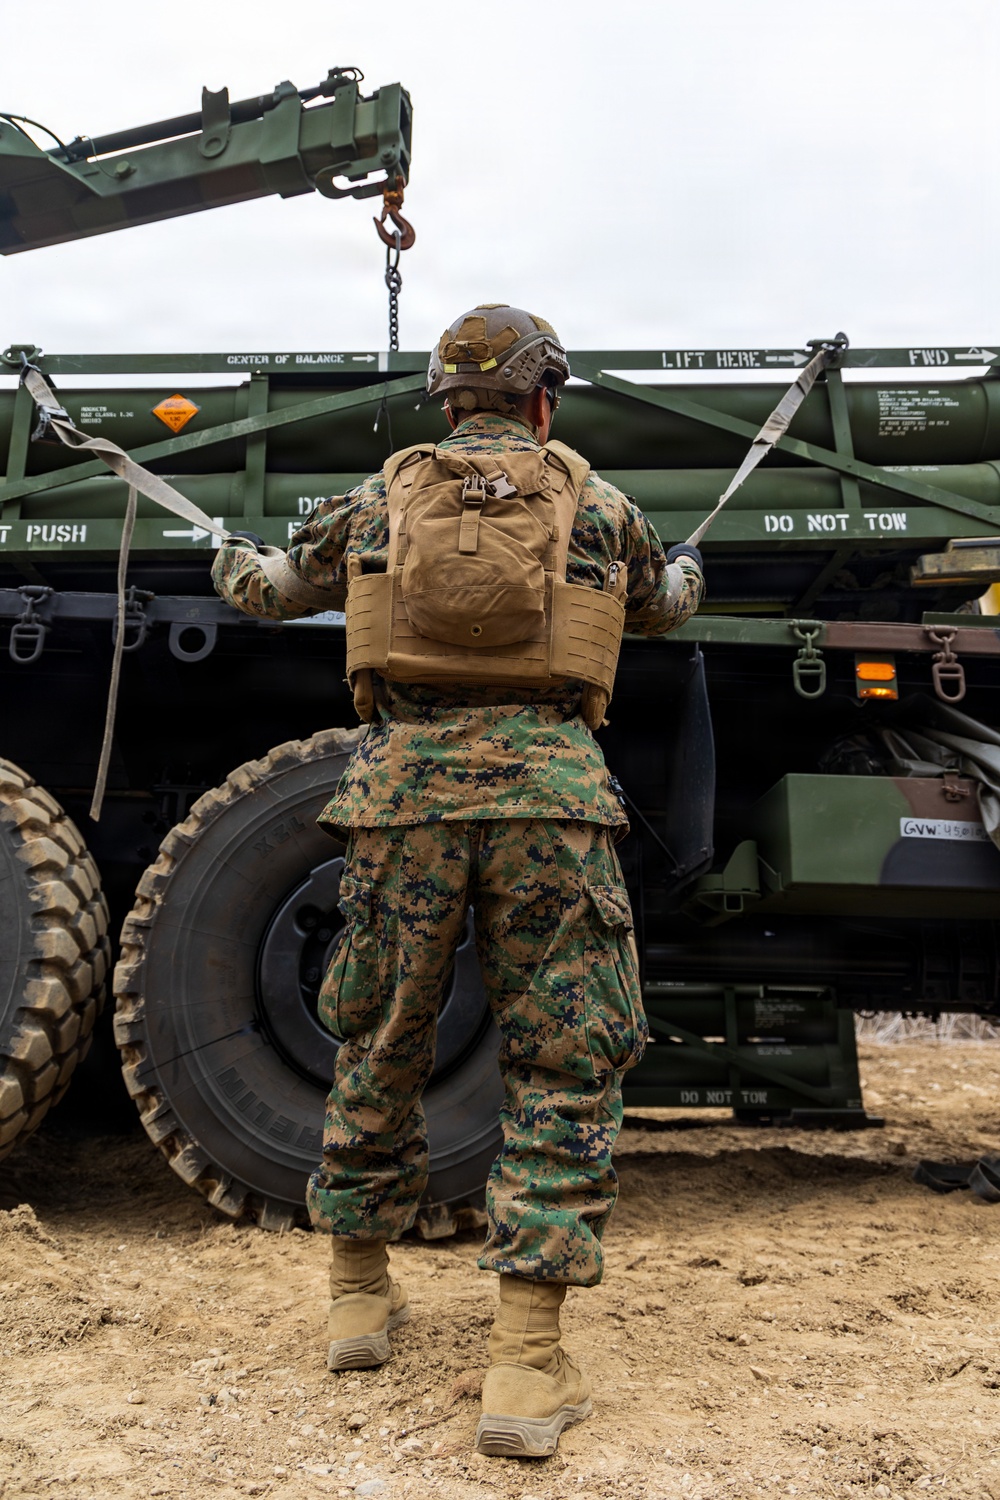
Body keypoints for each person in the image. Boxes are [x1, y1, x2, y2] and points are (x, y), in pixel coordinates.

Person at [211, 304, 705, 1458]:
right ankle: (527, 1368)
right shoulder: (599, 503)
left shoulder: (380, 500)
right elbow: (665, 605)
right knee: (563, 1056)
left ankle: (356, 1295)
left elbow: (271, 592)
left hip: (402, 804)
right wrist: (684, 569)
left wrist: (227, 559)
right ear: (544, 398)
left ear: (447, 401)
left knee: (381, 1034)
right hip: (552, 809)